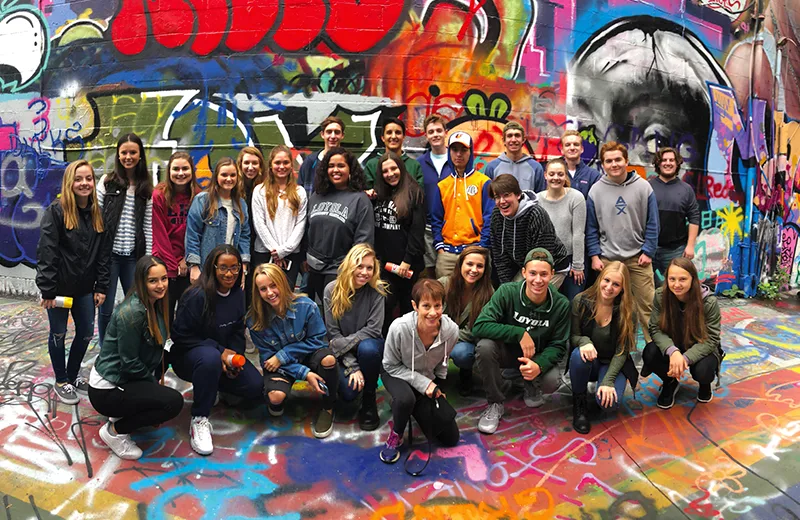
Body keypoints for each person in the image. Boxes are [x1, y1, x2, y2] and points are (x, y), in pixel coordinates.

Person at [88, 256, 183, 460]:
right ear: (141, 281)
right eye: (153, 281)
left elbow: (158, 349)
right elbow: (129, 363)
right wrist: (154, 388)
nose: (161, 285)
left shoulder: (154, 304)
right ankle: (115, 431)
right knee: (173, 402)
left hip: (123, 380)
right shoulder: (132, 313)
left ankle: (125, 409)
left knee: (169, 357)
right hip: (107, 389)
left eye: (164, 279)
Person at [170, 245, 263, 455]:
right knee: (210, 358)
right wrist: (220, 351)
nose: (229, 274)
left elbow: (238, 330)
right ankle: (199, 419)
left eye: (234, 267)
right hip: (190, 357)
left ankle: (214, 386)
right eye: (223, 268)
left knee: (255, 386)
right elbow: (180, 337)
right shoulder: (196, 296)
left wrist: (234, 357)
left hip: (220, 357)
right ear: (213, 267)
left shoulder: (238, 294)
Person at [473, 249, 570, 435]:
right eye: (533, 273)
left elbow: (558, 344)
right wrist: (518, 332)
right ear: (524, 272)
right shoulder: (507, 292)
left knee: (552, 381)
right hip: (509, 352)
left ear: (552, 274)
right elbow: (480, 325)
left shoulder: (561, 304)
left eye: (544, 274)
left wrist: (539, 366)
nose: (538, 280)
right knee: (485, 346)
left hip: (536, 356)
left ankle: (530, 384)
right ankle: (495, 402)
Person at [36, 159, 109, 404]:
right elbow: (47, 251)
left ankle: (73, 373)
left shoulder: (98, 214)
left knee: (87, 333)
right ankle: (61, 380)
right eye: (78, 179)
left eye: (88, 178)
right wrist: (46, 289)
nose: (84, 183)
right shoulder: (56, 212)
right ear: (70, 182)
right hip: (58, 290)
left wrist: (101, 286)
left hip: (85, 289)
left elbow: (103, 254)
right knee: (58, 333)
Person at [249, 263, 339, 438]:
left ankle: (328, 407)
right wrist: (304, 374)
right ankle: (278, 399)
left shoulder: (306, 306)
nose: (270, 292)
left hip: (306, 356)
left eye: (273, 285)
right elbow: (269, 361)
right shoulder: (255, 320)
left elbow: (318, 340)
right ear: (257, 292)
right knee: (275, 397)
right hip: (281, 367)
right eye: (263, 289)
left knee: (328, 360)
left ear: (282, 283)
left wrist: (284, 355)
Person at [380, 279, 460, 464]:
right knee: (405, 398)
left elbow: (443, 362)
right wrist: (423, 384)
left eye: (437, 305)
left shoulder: (451, 331)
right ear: (415, 306)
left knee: (450, 438)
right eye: (426, 306)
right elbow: (390, 365)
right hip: (395, 372)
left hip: (426, 379)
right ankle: (397, 434)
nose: (433, 312)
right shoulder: (399, 328)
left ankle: (411, 407)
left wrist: (439, 387)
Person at [586, 141, 659, 342]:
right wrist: (594, 255)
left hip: (638, 259)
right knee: (609, 307)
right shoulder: (595, 191)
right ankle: (616, 350)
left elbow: (653, 222)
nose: (614, 164)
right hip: (608, 260)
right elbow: (591, 227)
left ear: (626, 161)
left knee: (648, 306)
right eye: (608, 161)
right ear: (603, 165)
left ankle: (655, 351)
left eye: (618, 159)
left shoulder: (644, 187)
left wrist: (648, 251)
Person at [97, 133, 153, 348]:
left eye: (133, 152)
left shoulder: (145, 188)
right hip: (108, 257)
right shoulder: (107, 182)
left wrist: (145, 260)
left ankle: (130, 347)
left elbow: (147, 226)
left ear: (140, 156)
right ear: (118, 155)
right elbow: (97, 219)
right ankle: (105, 349)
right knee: (106, 308)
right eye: (124, 152)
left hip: (132, 258)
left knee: (135, 307)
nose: (128, 157)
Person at [568, 261, 639, 434]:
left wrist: (608, 380)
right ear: (600, 278)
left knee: (609, 405)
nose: (609, 287)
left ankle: (602, 383)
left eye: (616, 284)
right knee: (578, 355)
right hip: (588, 360)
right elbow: (573, 336)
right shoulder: (581, 300)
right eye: (606, 280)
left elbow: (622, 350)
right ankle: (580, 403)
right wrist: (584, 341)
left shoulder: (628, 310)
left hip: (611, 361)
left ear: (623, 288)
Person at [643, 258, 722, 408]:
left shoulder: (708, 302)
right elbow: (655, 328)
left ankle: (705, 384)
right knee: (650, 352)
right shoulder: (661, 296)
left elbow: (711, 339)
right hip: (674, 344)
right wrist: (673, 352)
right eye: (672, 279)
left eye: (683, 279)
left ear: (693, 279)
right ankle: (670, 382)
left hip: (699, 345)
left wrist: (685, 359)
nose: (677, 284)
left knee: (703, 370)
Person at [323, 244, 386, 431]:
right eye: (360, 266)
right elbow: (333, 334)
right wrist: (353, 367)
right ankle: (358, 384)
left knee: (368, 348)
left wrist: (340, 344)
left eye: (369, 268)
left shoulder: (377, 291)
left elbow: (373, 330)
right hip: (344, 356)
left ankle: (369, 398)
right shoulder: (331, 290)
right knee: (349, 393)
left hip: (369, 349)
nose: (365, 272)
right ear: (350, 265)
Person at [305, 146, 374, 303]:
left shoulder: (360, 200)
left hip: (341, 271)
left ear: (350, 169)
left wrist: (352, 269)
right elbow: (308, 229)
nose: (335, 170)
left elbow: (364, 241)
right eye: (331, 166)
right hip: (314, 270)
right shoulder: (317, 196)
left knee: (336, 318)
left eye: (341, 165)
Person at [430, 131, 494, 278]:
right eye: (454, 149)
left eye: (463, 150)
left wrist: (482, 247)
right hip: (447, 254)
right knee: (445, 295)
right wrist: (440, 246)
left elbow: (490, 218)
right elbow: (436, 219)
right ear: (449, 152)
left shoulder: (483, 182)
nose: (459, 154)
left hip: (474, 252)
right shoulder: (442, 186)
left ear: (470, 152)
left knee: (476, 297)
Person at [373, 152, 425, 328]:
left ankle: (406, 351)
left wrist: (407, 261)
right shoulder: (379, 194)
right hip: (384, 267)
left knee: (406, 311)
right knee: (384, 307)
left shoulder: (414, 193)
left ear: (401, 168)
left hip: (406, 268)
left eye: (394, 168)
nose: (390, 174)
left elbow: (416, 233)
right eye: (385, 171)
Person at [489, 174, 569, 285]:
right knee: (509, 295)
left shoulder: (536, 214)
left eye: (506, 195)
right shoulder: (497, 215)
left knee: (528, 298)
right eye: (497, 197)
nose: (502, 201)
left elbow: (543, 256)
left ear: (517, 195)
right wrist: (506, 286)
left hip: (552, 265)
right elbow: (499, 256)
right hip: (524, 266)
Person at [185, 157, 251, 283]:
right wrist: (193, 266)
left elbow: (244, 236)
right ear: (216, 176)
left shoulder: (241, 204)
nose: (229, 179)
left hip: (230, 271)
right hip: (206, 268)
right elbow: (193, 234)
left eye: (233, 175)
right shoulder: (203, 200)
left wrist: (243, 267)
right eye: (224, 175)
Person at [439, 246, 494, 396]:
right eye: (469, 264)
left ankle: (466, 373)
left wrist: (447, 338)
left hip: (463, 341)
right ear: (460, 264)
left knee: (463, 353)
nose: (474, 269)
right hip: (436, 337)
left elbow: (477, 330)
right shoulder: (444, 284)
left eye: (480, 266)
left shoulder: (488, 294)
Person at [152, 152, 199, 323]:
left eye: (185, 168)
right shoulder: (159, 195)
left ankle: (183, 349)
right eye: (176, 169)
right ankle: (164, 349)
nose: (180, 173)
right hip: (165, 266)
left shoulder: (199, 196)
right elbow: (160, 235)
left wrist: (187, 261)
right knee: (163, 316)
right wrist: (173, 265)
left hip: (188, 266)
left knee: (187, 316)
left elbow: (198, 232)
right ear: (169, 171)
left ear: (192, 171)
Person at [251, 145, 307, 290]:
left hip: (291, 255)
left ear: (291, 164)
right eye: (277, 163)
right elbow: (259, 223)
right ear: (270, 165)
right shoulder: (259, 190)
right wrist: (275, 250)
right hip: (264, 253)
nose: (281, 166)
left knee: (285, 296)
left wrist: (284, 250)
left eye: (285, 162)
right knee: (264, 295)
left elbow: (300, 224)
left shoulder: (299, 192)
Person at [648, 147, 700, 286]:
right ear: (658, 163)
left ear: (677, 163)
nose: (668, 163)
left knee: (676, 288)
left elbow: (694, 217)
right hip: (648, 249)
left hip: (675, 250)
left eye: (672, 160)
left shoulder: (686, 189)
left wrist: (690, 246)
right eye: (664, 160)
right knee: (646, 289)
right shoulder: (647, 186)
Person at [537, 158, 587, 300]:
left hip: (571, 259)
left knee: (573, 302)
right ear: (545, 175)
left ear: (565, 176)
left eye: (560, 174)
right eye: (552, 174)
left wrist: (578, 265)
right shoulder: (537, 200)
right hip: (546, 259)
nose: (556, 178)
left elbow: (578, 233)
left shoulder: (576, 198)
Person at [417, 115, 451, 277]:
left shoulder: (457, 161)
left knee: (449, 276)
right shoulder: (419, 163)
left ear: (446, 132)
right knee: (429, 275)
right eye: (431, 132)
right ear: (426, 135)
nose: (435, 134)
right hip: (427, 229)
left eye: (439, 130)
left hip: (452, 229)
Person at [237, 146, 266, 309]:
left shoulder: (265, 188)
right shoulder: (235, 189)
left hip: (260, 246)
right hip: (241, 245)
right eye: (246, 163)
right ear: (240, 165)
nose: (250, 167)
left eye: (255, 163)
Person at [363, 117, 424, 191]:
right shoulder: (372, 165)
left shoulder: (414, 165)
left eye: (398, 132)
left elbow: (420, 195)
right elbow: (366, 194)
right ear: (383, 138)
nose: (393, 136)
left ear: (403, 137)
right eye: (389, 132)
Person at [484, 121, 546, 193]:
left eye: (517, 135)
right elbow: (488, 197)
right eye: (509, 136)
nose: (513, 140)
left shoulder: (535, 167)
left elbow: (540, 197)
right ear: (504, 140)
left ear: (523, 140)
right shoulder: (492, 167)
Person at [297, 116, 345, 196]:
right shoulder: (310, 162)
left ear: (342, 135)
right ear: (322, 134)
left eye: (337, 132)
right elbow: (300, 191)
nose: (333, 136)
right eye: (329, 132)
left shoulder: (349, 162)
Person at [560, 130, 601, 200]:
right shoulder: (555, 175)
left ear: (582, 149)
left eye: (576, 144)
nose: (572, 148)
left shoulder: (593, 176)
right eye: (567, 145)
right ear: (562, 150)